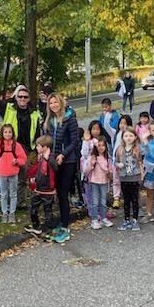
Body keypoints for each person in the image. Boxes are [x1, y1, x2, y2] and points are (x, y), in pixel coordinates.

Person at [0, 73, 41, 205]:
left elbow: (36, 132)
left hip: (25, 149)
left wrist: (38, 150)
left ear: (28, 99)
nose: (22, 99)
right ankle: (7, 201)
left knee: (21, 177)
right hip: (8, 147)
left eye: (25, 97)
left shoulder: (34, 113)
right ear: (16, 97)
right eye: (20, 96)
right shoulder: (8, 108)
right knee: (7, 176)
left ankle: (19, 202)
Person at [43, 93, 79, 243]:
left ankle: (65, 225)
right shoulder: (49, 121)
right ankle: (62, 221)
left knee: (63, 193)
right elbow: (49, 140)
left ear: (61, 102)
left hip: (68, 160)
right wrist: (45, 152)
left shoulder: (70, 118)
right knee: (58, 192)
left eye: (55, 102)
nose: (53, 105)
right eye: (51, 103)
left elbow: (75, 140)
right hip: (54, 160)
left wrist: (63, 155)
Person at [24, 135, 58, 240]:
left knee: (47, 210)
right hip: (38, 188)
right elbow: (40, 172)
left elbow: (55, 168)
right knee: (33, 208)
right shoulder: (41, 157)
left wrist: (48, 159)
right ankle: (36, 226)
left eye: (38, 146)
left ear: (45, 147)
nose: (36, 148)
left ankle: (49, 230)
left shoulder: (50, 157)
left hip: (47, 190)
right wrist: (35, 179)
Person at [115, 127, 142, 231]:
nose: (128, 138)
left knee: (135, 200)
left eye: (131, 135)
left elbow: (143, 154)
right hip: (124, 178)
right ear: (122, 137)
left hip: (134, 177)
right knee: (126, 200)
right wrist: (118, 164)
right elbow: (115, 161)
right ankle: (126, 220)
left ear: (135, 137)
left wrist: (143, 140)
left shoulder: (137, 148)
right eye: (126, 136)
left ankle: (135, 220)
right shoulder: (120, 149)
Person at [84, 136, 114, 230]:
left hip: (104, 182)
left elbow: (111, 170)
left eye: (103, 145)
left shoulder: (107, 158)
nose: (101, 147)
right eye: (99, 145)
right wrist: (91, 165)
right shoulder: (93, 157)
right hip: (94, 182)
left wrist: (109, 172)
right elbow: (86, 171)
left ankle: (104, 218)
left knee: (103, 201)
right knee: (95, 201)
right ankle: (94, 219)